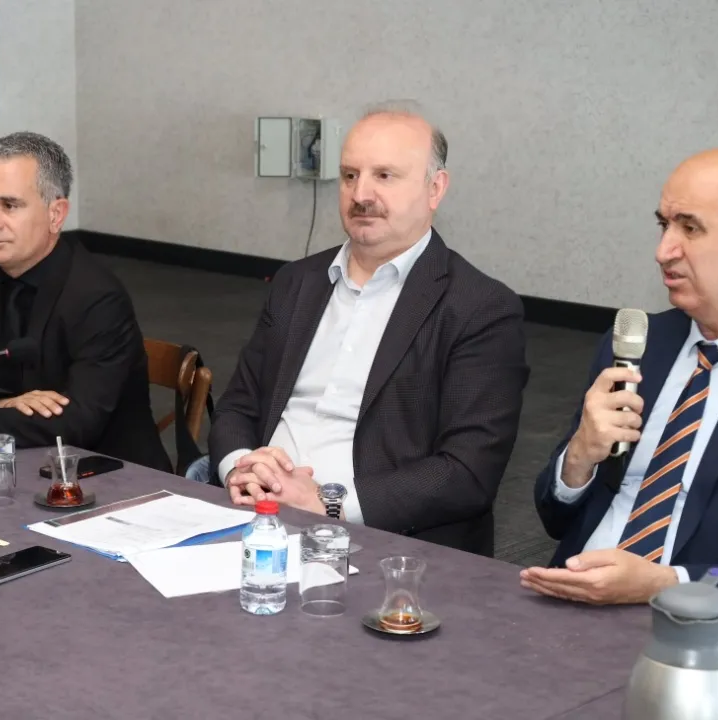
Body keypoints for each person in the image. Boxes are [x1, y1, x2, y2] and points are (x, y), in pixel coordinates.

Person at [209, 101, 528, 556]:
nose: (361, 194)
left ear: (435, 189)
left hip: (382, 544)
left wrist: (327, 505)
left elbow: (467, 471)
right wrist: (242, 468)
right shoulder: (296, 283)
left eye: (385, 176)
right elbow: (238, 405)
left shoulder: (480, 308)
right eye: (349, 175)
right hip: (256, 514)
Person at [524, 147, 718, 628]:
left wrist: (667, 583)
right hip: (568, 601)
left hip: (699, 632)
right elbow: (555, 519)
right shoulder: (641, 344)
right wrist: (579, 458)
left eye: (690, 228)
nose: (663, 250)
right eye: (664, 225)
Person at [0, 131, 171, 472]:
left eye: (9, 206)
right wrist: (2, 402)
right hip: (6, 465)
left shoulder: (97, 297)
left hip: (108, 477)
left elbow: (75, 424)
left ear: (56, 214)